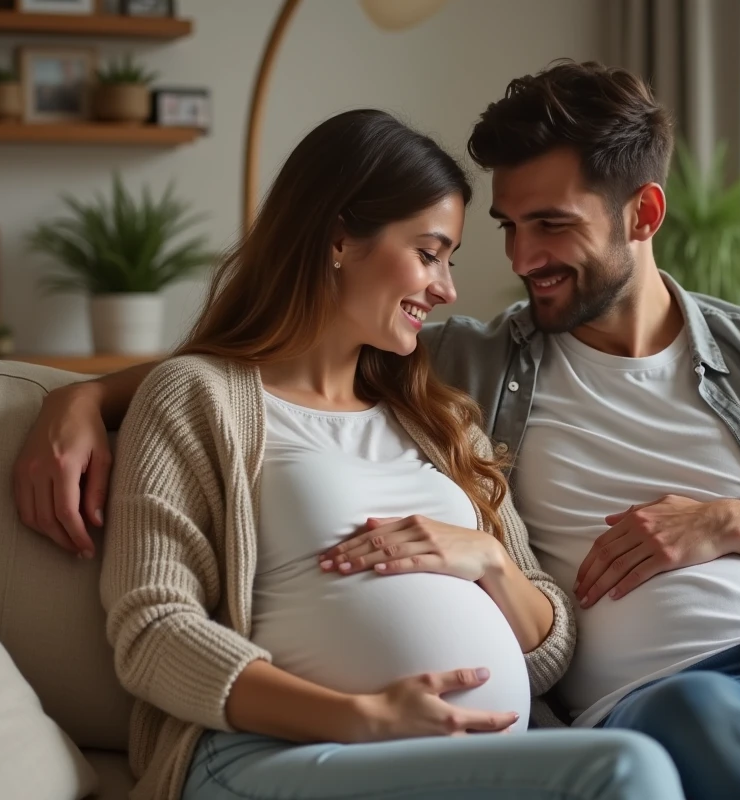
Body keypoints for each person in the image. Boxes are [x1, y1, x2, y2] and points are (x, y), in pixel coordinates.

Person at [15, 63, 740, 800]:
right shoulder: (466, 368)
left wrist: (732, 523)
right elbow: (287, 352)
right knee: (697, 716)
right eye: (507, 227)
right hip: (673, 706)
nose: (520, 258)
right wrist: (86, 395)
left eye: (551, 225)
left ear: (642, 214)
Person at [62, 108, 680, 800]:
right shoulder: (198, 397)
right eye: (428, 253)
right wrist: (361, 718)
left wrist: (492, 563)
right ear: (337, 239)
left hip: (461, 768)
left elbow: (548, 648)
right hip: (270, 757)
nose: (446, 288)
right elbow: (153, 631)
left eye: (449, 260)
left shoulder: (439, 419)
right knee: (630, 770)